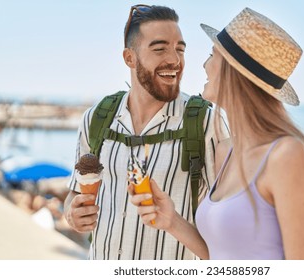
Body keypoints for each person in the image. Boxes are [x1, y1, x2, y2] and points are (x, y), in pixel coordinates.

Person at [130, 7, 304, 260]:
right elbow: (221, 258)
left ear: (234, 72)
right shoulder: (225, 151)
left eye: (212, 55)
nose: (204, 65)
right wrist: (172, 221)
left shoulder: (287, 155)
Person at [63, 4, 229, 260]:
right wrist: (71, 214)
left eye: (180, 49)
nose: (174, 60)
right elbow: (74, 193)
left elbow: (231, 240)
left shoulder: (207, 123)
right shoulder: (96, 119)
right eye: (160, 48)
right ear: (130, 58)